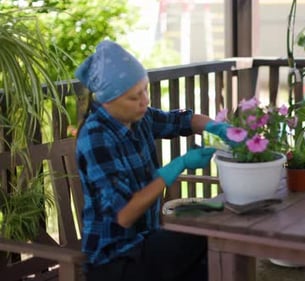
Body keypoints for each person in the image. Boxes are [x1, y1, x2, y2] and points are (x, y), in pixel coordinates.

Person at [74, 40, 230, 281]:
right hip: (114, 260)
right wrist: (177, 166)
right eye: (134, 96)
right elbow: (124, 215)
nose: (145, 100)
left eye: (145, 89)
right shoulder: (96, 137)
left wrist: (217, 127)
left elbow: (182, 121)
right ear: (108, 101)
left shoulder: (139, 117)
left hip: (145, 242)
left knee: (211, 253)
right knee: (205, 239)